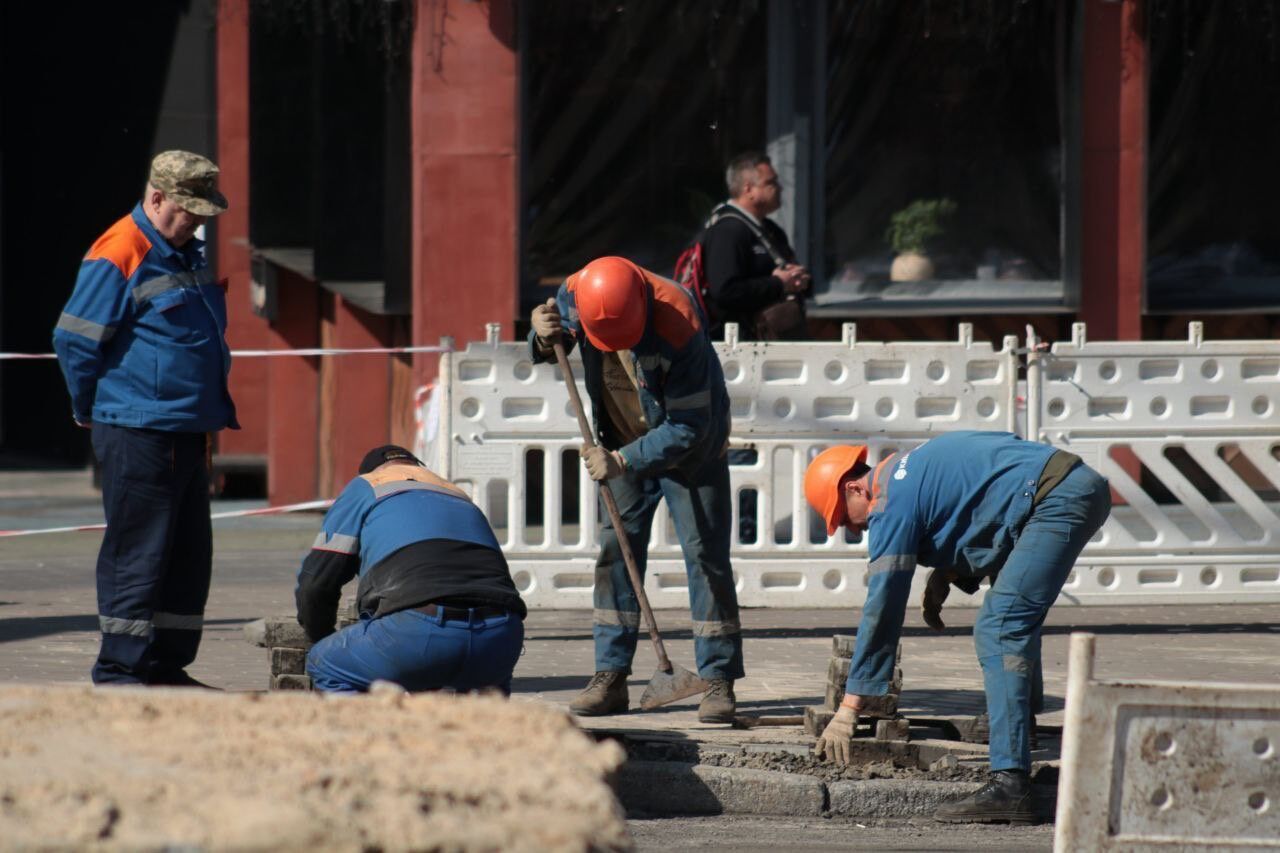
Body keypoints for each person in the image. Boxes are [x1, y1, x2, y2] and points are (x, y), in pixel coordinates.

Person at [803, 431, 1111, 823]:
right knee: (1012, 615)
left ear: (854, 488)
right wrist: (950, 571)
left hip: (1056, 498)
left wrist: (851, 707)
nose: (858, 530)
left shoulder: (890, 503)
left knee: (999, 628)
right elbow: (986, 504)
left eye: (847, 519)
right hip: (1070, 485)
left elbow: (883, 606)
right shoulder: (912, 468)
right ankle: (1021, 728)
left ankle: (1010, 785)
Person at [529, 256, 743, 722]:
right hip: (619, 436)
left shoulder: (679, 320)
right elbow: (559, 341)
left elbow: (689, 425)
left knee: (705, 555)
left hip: (690, 451)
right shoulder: (577, 291)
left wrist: (622, 461)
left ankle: (719, 678)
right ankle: (611, 675)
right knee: (615, 553)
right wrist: (543, 334)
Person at [52, 151, 236, 686]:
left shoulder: (184, 253)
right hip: (137, 428)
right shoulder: (120, 250)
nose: (198, 222)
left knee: (185, 555)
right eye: (189, 211)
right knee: (138, 553)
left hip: (186, 428)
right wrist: (88, 407)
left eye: (204, 213)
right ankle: (118, 670)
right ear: (156, 198)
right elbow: (73, 338)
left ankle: (165, 664)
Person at [297, 445, 526, 693]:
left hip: (416, 633)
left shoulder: (366, 486)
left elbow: (316, 584)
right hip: (501, 639)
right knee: (484, 706)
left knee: (326, 664)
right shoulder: (458, 495)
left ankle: (367, 731)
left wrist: (321, 637)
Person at [701, 151, 811, 339]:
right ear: (748, 189)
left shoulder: (771, 230)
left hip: (776, 340)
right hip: (739, 345)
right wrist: (778, 283)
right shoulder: (728, 231)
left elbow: (792, 275)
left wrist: (800, 280)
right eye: (771, 183)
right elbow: (725, 291)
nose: (779, 188)